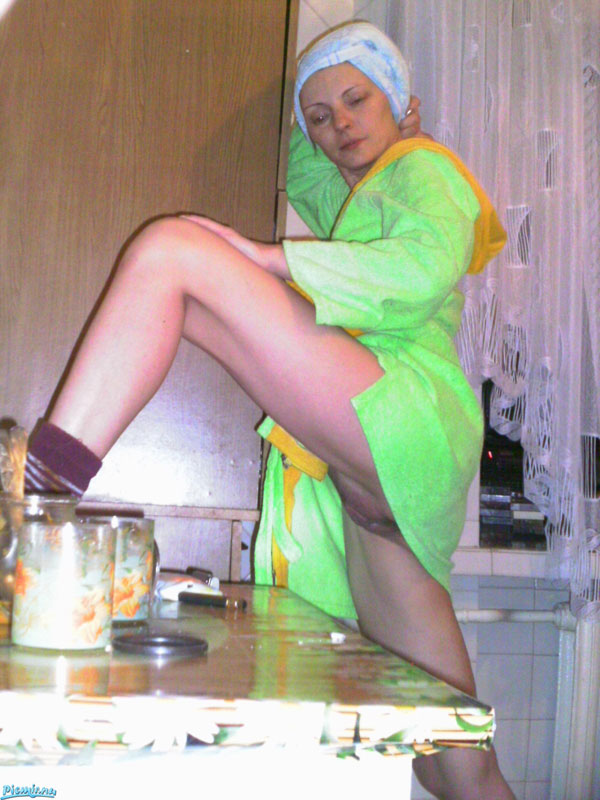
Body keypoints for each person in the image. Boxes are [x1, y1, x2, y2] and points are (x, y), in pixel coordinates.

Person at [24, 21, 513, 799]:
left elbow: (423, 267)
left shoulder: (425, 167)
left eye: (357, 99)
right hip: (379, 490)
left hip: (407, 407)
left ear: (402, 106)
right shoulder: (356, 189)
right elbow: (295, 159)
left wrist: (269, 256)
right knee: (455, 759)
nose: (339, 122)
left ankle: (35, 502)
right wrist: (319, 118)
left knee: (170, 254)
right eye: (320, 115)